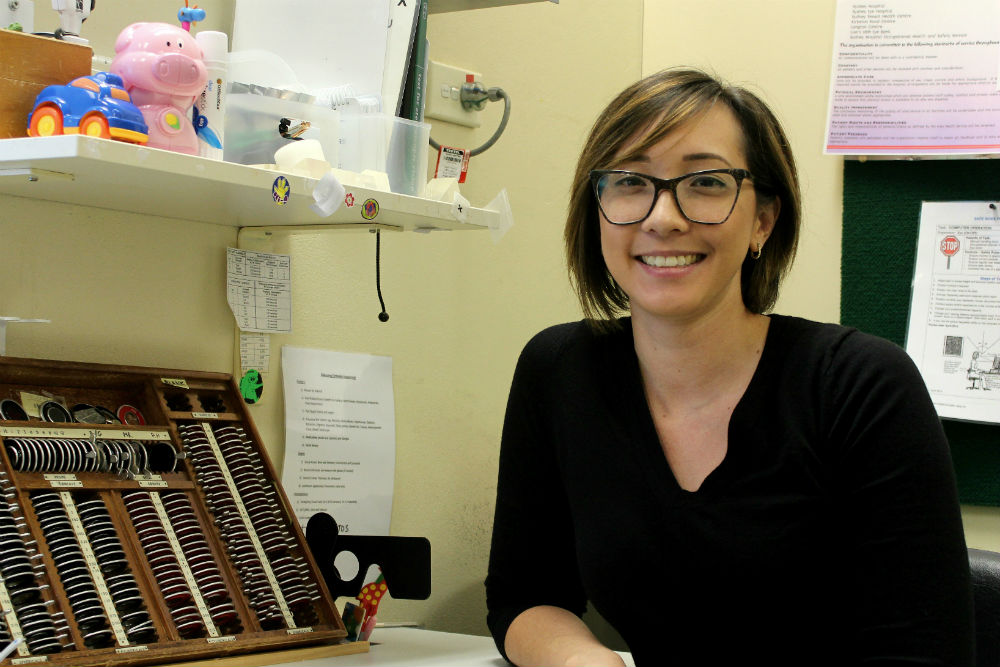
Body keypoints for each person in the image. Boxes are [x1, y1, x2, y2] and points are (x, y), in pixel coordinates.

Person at [484, 68, 974, 667]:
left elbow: (926, 653)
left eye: (708, 182)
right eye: (631, 181)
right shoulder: (558, 370)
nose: (662, 217)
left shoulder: (860, 384)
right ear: (598, 208)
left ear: (763, 220)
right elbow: (526, 594)